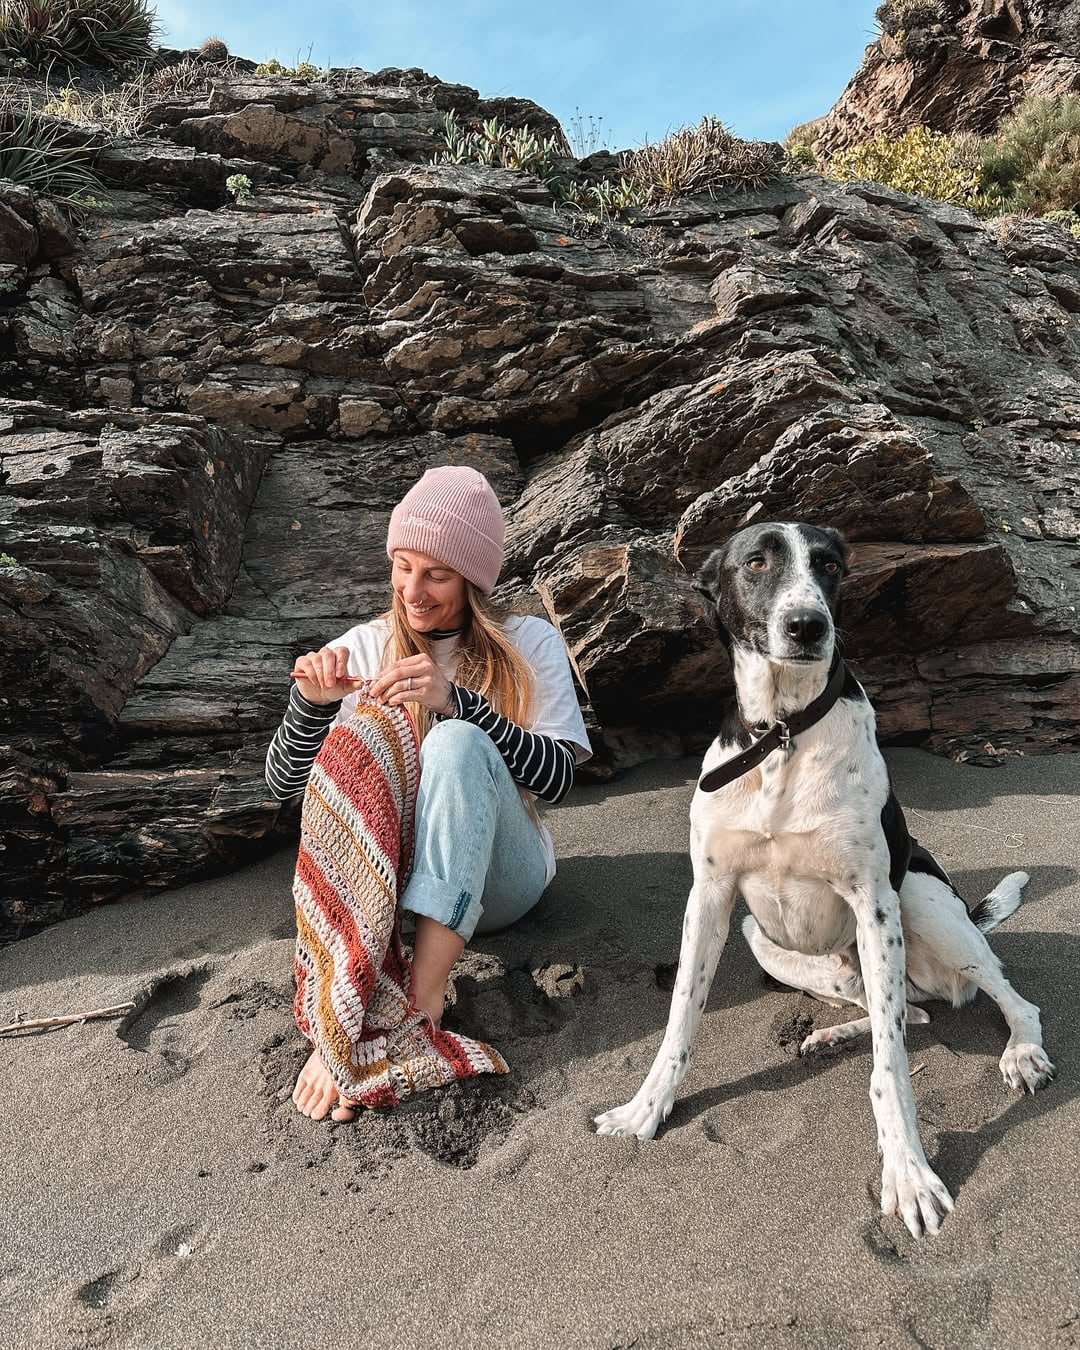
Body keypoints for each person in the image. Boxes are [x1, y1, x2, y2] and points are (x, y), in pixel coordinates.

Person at [265, 465, 591, 1121]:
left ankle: (419, 1003)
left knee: (455, 742)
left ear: (472, 578)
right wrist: (310, 707)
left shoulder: (530, 643)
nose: (412, 591)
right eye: (402, 566)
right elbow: (285, 786)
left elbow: (557, 778)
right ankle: (350, 1017)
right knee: (359, 733)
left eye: (436, 574)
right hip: (392, 895)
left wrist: (459, 704)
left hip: (503, 882)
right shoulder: (365, 645)